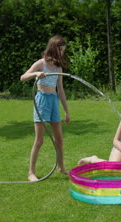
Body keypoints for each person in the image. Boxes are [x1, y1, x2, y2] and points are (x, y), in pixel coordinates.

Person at [20, 35, 70, 181]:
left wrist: (66, 111)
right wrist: (36, 74)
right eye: (60, 50)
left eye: (63, 51)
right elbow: (23, 77)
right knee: (39, 140)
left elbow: (60, 90)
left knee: (59, 138)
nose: (61, 53)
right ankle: (31, 173)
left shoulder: (58, 67)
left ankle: (61, 167)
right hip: (42, 101)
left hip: (54, 101)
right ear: (53, 48)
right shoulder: (41, 63)